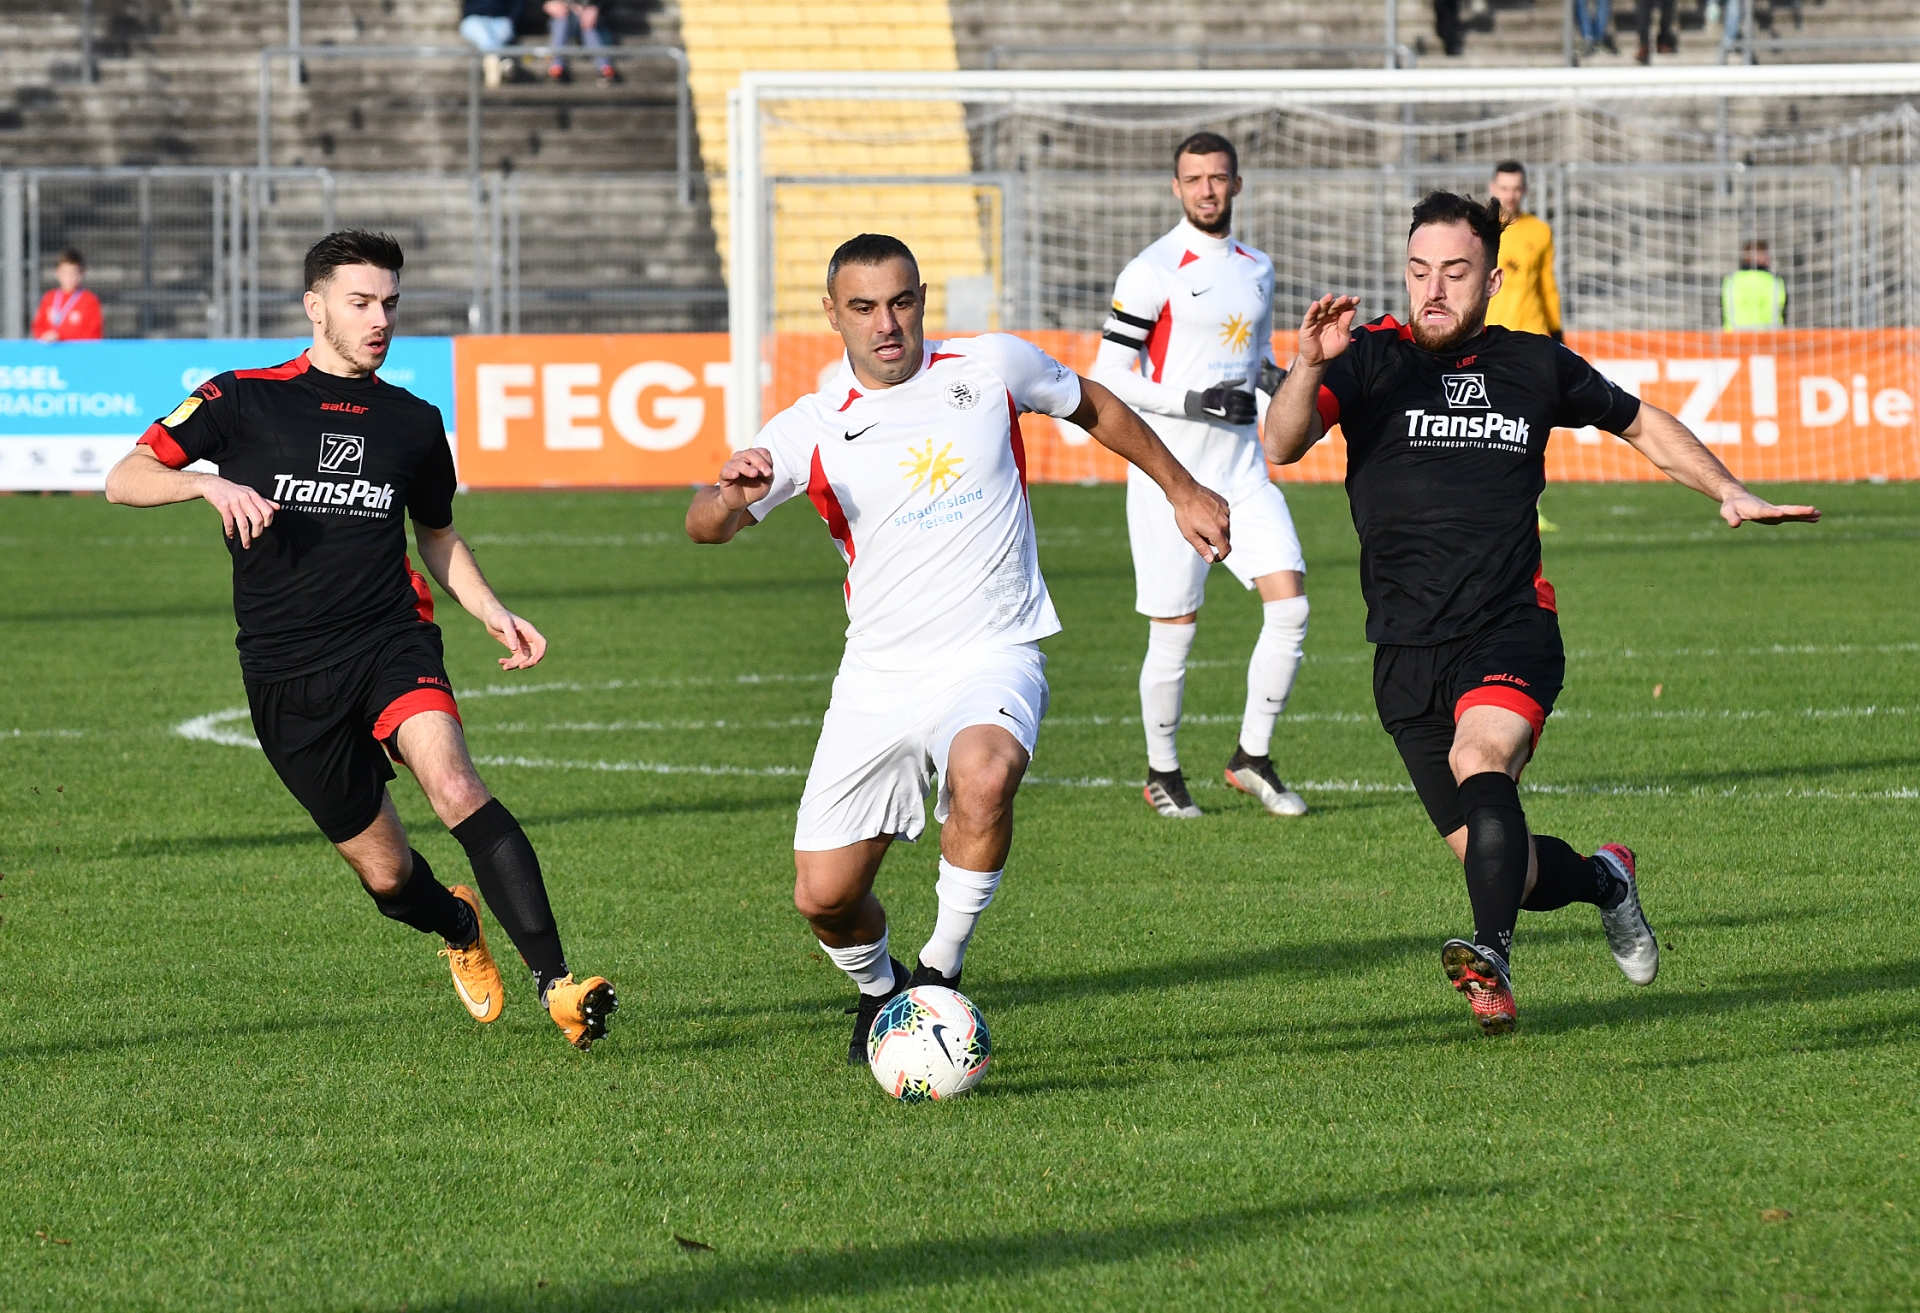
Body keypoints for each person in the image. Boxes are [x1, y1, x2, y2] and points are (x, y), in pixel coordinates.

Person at [1262, 192, 1819, 1036]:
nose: (1433, 289)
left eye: (1455, 272)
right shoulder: (1366, 355)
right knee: (1508, 866)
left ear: (1492, 279)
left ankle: (1490, 958)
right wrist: (1307, 364)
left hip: (1509, 623)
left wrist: (1727, 488)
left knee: (1479, 755)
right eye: (1419, 271)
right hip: (1404, 650)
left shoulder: (1534, 363)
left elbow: (1641, 424)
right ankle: (1606, 880)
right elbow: (1280, 443)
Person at [686, 233, 1230, 1063]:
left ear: (921, 300)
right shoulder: (811, 426)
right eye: (864, 307)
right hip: (878, 675)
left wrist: (1182, 488)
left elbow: (1096, 404)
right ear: (832, 314)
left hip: (992, 650)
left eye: (901, 301)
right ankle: (882, 989)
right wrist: (729, 497)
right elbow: (705, 526)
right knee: (825, 897)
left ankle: (940, 974)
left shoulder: (991, 365)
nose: (887, 323)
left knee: (985, 774)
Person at [104, 230, 617, 1050]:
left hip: (390, 638)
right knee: (387, 876)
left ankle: (557, 983)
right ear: (316, 307)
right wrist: (206, 484)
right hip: (283, 671)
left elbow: (437, 534)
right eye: (361, 302)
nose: (381, 319)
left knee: (455, 784)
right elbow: (124, 477)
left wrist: (491, 608)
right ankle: (457, 923)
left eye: (391, 303)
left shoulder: (413, 421)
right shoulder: (239, 398)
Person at [1093, 132, 1311, 821]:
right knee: (1175, 631)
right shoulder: (1150, 271)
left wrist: (1295, 380)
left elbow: (1260, 360)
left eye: (1218, 178)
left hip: (1243, 471)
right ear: (1176, 188)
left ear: (1236, 184)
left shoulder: (1258, 267)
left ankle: (1252, 758)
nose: (1207, 190)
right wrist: (1194, 401)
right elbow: (1108, 377)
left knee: (1291, 607)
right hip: (1171, 479)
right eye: (1194, 179)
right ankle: (1162, 771)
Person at [1484, 162, 1563, 533]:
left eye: (1516, 188)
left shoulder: (1539, 231)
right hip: (1488, 341)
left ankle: (1531, 507)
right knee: (1487, 427)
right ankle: (1488, 502)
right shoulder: (1479, 229)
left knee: (1529, 427)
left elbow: (1547, 284)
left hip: (1530, 341)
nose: (1510, 195)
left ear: (1525, 190)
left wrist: (1557, 331)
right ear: (1492, 188)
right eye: (1504, 188)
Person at [32, 249, 103, 342]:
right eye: (65, 273)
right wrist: (45, 336)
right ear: (57, 273)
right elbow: (38, 326)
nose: (69, 278)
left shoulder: (90, 300)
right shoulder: (49, 298)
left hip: (78, 350)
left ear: (81, 274)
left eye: (73, 273)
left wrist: (62, 338)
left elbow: (94, 333)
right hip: (51, 349)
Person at [543, 1, 616, 84]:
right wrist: (548, 5)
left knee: (588, 26)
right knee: (561, 22)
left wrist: (595, 8)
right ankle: (556, 66)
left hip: (588, 19)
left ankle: (605, 67)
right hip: (563, 17)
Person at [459, 0, 526, 88]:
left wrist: (511, 20)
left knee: (500, 33)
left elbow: (519, 4)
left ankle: (494, 64)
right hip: (474, 19)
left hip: (500, 20)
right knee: (484, 36)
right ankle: (500, 63)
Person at [1723, 239, 1787, 329]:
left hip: (1735, 335)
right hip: (1769, 335)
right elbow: (1783, 311)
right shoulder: (1774, 281)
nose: (1769, 258)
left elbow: (1723, 311)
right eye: (1766, 254)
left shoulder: (1731, 280)